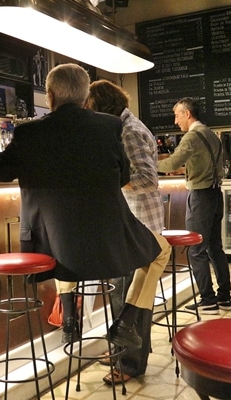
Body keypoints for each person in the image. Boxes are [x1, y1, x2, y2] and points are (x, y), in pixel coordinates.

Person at [0, 63, 171, 351]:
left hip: (57, 252)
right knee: (161, 250)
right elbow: (124, 177)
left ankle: (70, 319)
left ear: (50, 96)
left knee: (60, 238)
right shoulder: (110, 126)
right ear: (84, 98)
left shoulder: (29, 133)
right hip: (109, 246)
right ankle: (125, 323)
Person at [84, 79, 167, 384]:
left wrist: (110, 178)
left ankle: (130, 364)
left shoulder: (128, 130)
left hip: (139, 225)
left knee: (130, 297)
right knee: (125, 293)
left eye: (89, 105)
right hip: (131, 223)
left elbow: (147, 178)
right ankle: (123, 352)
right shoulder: (124, 127)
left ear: (102, 105)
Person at [157, 97, 231, 315]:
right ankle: (224, 297)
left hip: (200, 196)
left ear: (187, 114)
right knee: (215, 247)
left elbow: (172, 163)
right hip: (216, 194)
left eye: (177, 115)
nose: (175, 121)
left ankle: (207, 300)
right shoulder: (210, 134)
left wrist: (146, 164)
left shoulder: (191, 136)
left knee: (196, 250)